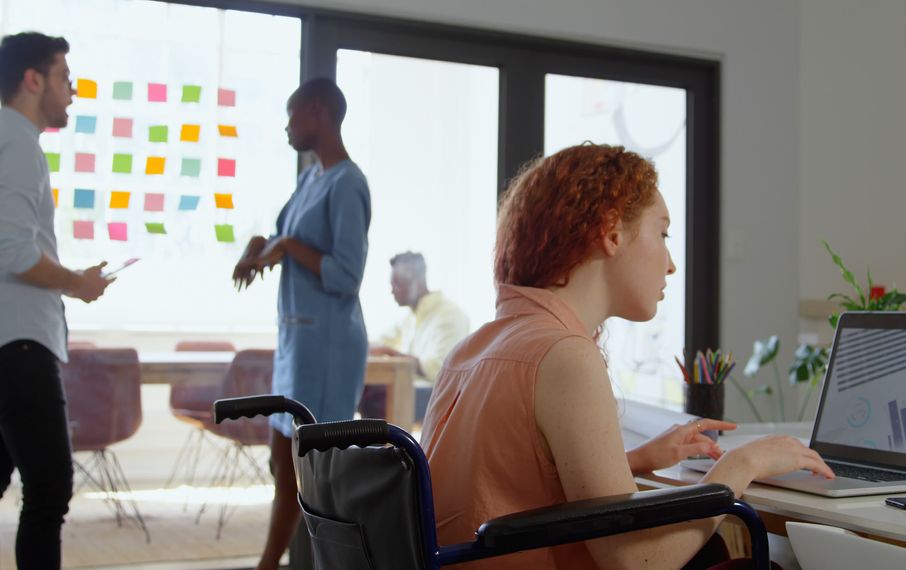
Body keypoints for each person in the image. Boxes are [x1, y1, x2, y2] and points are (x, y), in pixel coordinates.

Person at [421, 143, 834, 569]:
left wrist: (635, 461)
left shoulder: (472, 349)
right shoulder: (564, 356)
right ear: (612, 232)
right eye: (663, 233)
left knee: (708, 549)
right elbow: (637, 563)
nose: (671, 264)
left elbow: (516, 490)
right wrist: (743, 463)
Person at [232, 77, 370, 570]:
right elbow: (286, 237)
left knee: (311, 481)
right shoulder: (312, 178)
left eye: (292, 116)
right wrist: (261, 244)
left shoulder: (348, 182)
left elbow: (346, 274)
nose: (287, 127)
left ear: (318, 111)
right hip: (298, 343)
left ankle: (277, 565)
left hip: (329, 347)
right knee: (281, 466)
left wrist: (285, 248)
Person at [0, 32, 113, 569]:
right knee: (49, 487)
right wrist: (79, 283)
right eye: (65, 77)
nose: (72, 90)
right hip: (19, 345)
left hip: (9, 343)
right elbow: (16, 253)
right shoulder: (17, 142)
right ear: (33, 79)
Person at [370, 251, 469, 380]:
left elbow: (440, 369)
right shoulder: (409, 319)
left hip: (433, 397)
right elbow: (379, 344)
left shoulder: (450, 315)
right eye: (391, 284)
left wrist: (389, 353)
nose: (392, 290)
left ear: (419, 280)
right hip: (408, 395)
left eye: (398, 282)